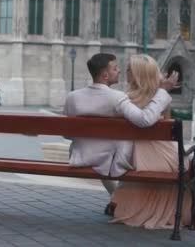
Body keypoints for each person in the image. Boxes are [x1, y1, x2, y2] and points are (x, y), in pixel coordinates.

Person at [109, 55, 195, 229]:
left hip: (136, 158)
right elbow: (167, 132)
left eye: (129, 70)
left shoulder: (124, 99)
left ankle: (138, 208)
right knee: (182, 164)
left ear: (139, 75)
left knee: (151, 163)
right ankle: (170, 212)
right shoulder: (161, 100)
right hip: (167, 158)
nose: (125, 72)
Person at [65, 53, 177, 198]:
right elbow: (145, 120)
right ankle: (118, 198)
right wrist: (163, 92)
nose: (119, 70)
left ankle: (116, 198)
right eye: (115, 68)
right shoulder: (118, 97)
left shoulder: (72, 97)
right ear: (105, 75)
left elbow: (67, 134)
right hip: (108, 160)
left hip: (80, 157)